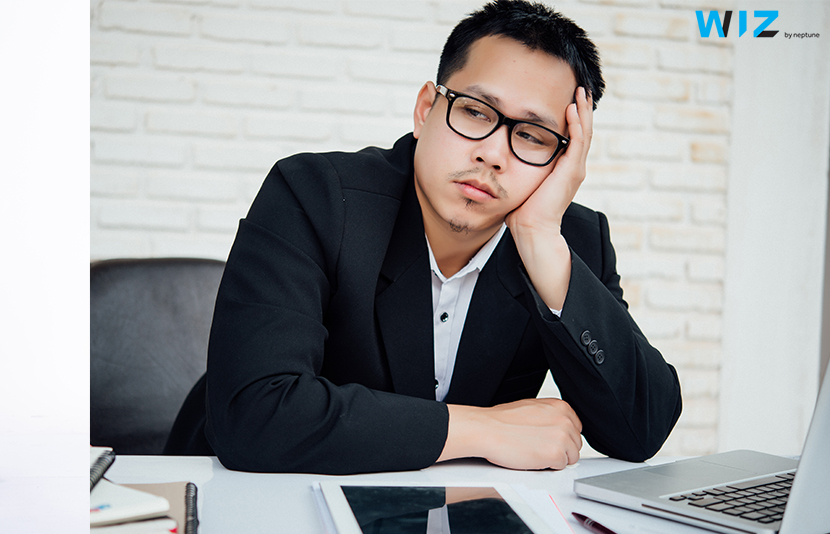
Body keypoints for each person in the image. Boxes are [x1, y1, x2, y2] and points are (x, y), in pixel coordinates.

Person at [165, 0, 682, 475]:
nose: (494, 154)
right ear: (425, 109)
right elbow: (256, 414)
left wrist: (540, 237)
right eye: (476, 112)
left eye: (532, 136)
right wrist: (484, 430)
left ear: (563, 157)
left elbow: (641, 429)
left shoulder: (569, 242)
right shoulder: (316, 196)